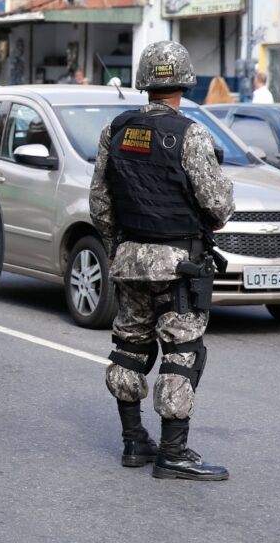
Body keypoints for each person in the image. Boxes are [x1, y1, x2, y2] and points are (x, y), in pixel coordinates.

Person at [89, 40, 235, 481]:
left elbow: (100, 203)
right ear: (185, 83)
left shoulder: (114, 130)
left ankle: (134, 442)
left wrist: (120, 249)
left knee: (129, 347)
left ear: (144, 83)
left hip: (130, 258)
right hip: (178, 265)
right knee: (181, 352)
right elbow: (218, 207)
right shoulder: (191, 134)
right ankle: (173, 452)